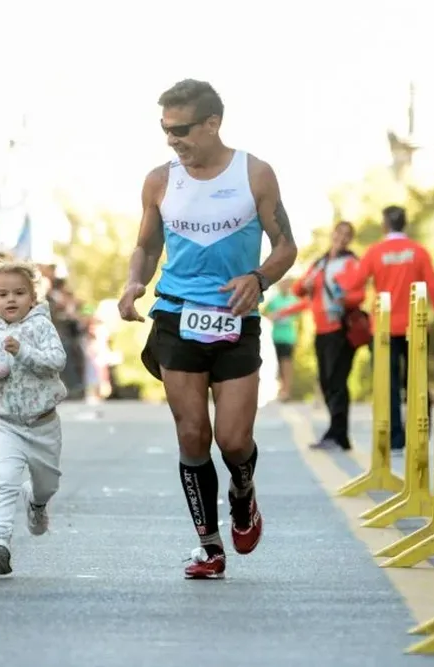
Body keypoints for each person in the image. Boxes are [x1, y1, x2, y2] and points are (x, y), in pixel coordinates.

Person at [117, 79, 298, 579]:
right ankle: (210, 546)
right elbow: (146, 245)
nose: (171, 139)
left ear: (213, 123)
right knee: (193, 433)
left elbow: (286, 246)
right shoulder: (160, 181)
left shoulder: (254, 174)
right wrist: (133, 282)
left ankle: (244, 494)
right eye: (165, 129)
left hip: (236, 318)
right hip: (176, 315)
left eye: (181, 130)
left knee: (234, 440)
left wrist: (258, 278)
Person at [0, 260, 68, 576]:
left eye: (19, 293)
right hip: (6, 424)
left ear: (32, 298)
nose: (11, 299)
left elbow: (57, 361)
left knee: (47, 486)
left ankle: (36, 503)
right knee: (3, 478)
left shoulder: (41, 326)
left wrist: (22, 351)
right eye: (2, 294)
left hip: (43, 424)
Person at [336, 206, 434, 452]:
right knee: (417, 380)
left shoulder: (376, 252)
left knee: (388, 383)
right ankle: (419, 432)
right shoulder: (418, 251)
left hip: (383, 328)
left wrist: (338, 277)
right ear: (404, 224)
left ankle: (395, 437)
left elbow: (354, 283)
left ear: (384, 225)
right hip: (415, 326)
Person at [289, 221, 363, 451]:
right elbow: (297, 290)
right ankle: (338, 434)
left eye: (347, 234)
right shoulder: (320, 263)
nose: (341, 237)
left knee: (336, 381)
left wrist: (343, 298)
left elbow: (359, 295)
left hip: (340, 329)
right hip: (321, 329)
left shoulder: (351, 263)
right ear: (333, 234)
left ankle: (338, 434)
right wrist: (306, 284)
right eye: (339, 232)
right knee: (326, 382)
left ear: (350, 239)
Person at [262, 278, 300, 401]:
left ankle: (286, 391)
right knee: (278, 363)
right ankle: (280, 390)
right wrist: (272, 316)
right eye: (283, 284)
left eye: (287, 284)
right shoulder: (274, 300)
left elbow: (299, 316)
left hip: (288, 337)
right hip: (276, 336)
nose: (285, 286)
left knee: (286, 363)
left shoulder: (293, 300)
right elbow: (265, 313)